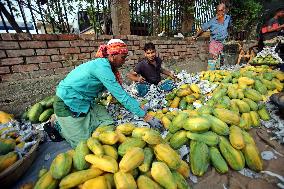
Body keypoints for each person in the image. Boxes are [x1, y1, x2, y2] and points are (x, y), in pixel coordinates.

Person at [52, 39, 163, 147]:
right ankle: (57, 124)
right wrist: (146, 117)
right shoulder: (102, 68)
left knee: (108, 122)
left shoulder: (107, 66)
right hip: (67, 103)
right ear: (113, 55)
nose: (124, 61)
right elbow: (121, 96)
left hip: (85, 102)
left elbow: (117, 94)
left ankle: (70, 123)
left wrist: (137, 106)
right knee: (82, 144)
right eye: (123, 57)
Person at [192, 3, 232, 69]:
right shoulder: (213, 21)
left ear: (224, 10)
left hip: (223, 42)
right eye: (218, 10)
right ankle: (210, 72)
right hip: (214, 42)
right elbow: (203, 28)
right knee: (212, 59)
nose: (220, 12)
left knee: (221, 61)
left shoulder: (228, 18)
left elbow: (229, 27)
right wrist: (195, 36)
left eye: (221, 10)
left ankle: (218, 71)